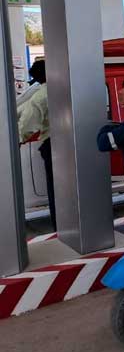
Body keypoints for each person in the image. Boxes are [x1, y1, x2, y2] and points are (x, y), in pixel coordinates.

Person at [17, 60, 56, 230]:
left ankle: (61, 228)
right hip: (69, 142)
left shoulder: (41, 95)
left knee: (56, 190)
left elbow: (26, 124)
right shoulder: (64, 88)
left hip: (53, 145)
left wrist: (17, 140)